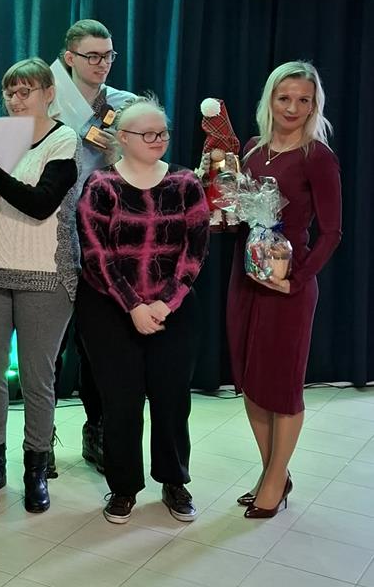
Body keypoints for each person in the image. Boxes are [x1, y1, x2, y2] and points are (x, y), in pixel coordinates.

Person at [76, 96, 210, 525]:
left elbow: (194, 251)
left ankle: (174, 481)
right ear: (123, 137)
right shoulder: (101, 185)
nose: (157, 139)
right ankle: (123, 488)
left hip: (173, 308)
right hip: (110, 309)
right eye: (147, 133)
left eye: (162, 132)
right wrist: (134, 305)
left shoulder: (186, 183)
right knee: (121, 402)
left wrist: (165, 303)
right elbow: (96, 255)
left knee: (172, 400)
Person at [0, 58, 79, 513]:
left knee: (37, 379)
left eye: (25, 91)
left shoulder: (63, 139)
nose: (15, 99)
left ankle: (36, 469)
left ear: (49, 93)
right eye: (10, 92)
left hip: (44, 276)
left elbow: (41, 204)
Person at [227, 61, 341, 519]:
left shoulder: (318, 156)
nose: (292, 108)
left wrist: (296, 279)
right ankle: (272, 471)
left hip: (289, 288)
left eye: (303, 100)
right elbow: (238, 212)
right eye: (284, 98)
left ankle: (275, 480)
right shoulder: (252, 149)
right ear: (270, 100)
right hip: (246, 279)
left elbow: (332, 232)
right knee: (251, 381)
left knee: (283, 386)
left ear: (314, 106)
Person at [50, 19, 134, 474]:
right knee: (47, 347)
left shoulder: (124, 106)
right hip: (51, 237)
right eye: (92, 56)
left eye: (108, 56)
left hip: (105, 243)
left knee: (99, 347)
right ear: (69, 58)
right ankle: (40, 439)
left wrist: (123, 149)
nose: (102, 64)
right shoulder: (44, 98)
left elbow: (145, 165)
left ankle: (97, 430)